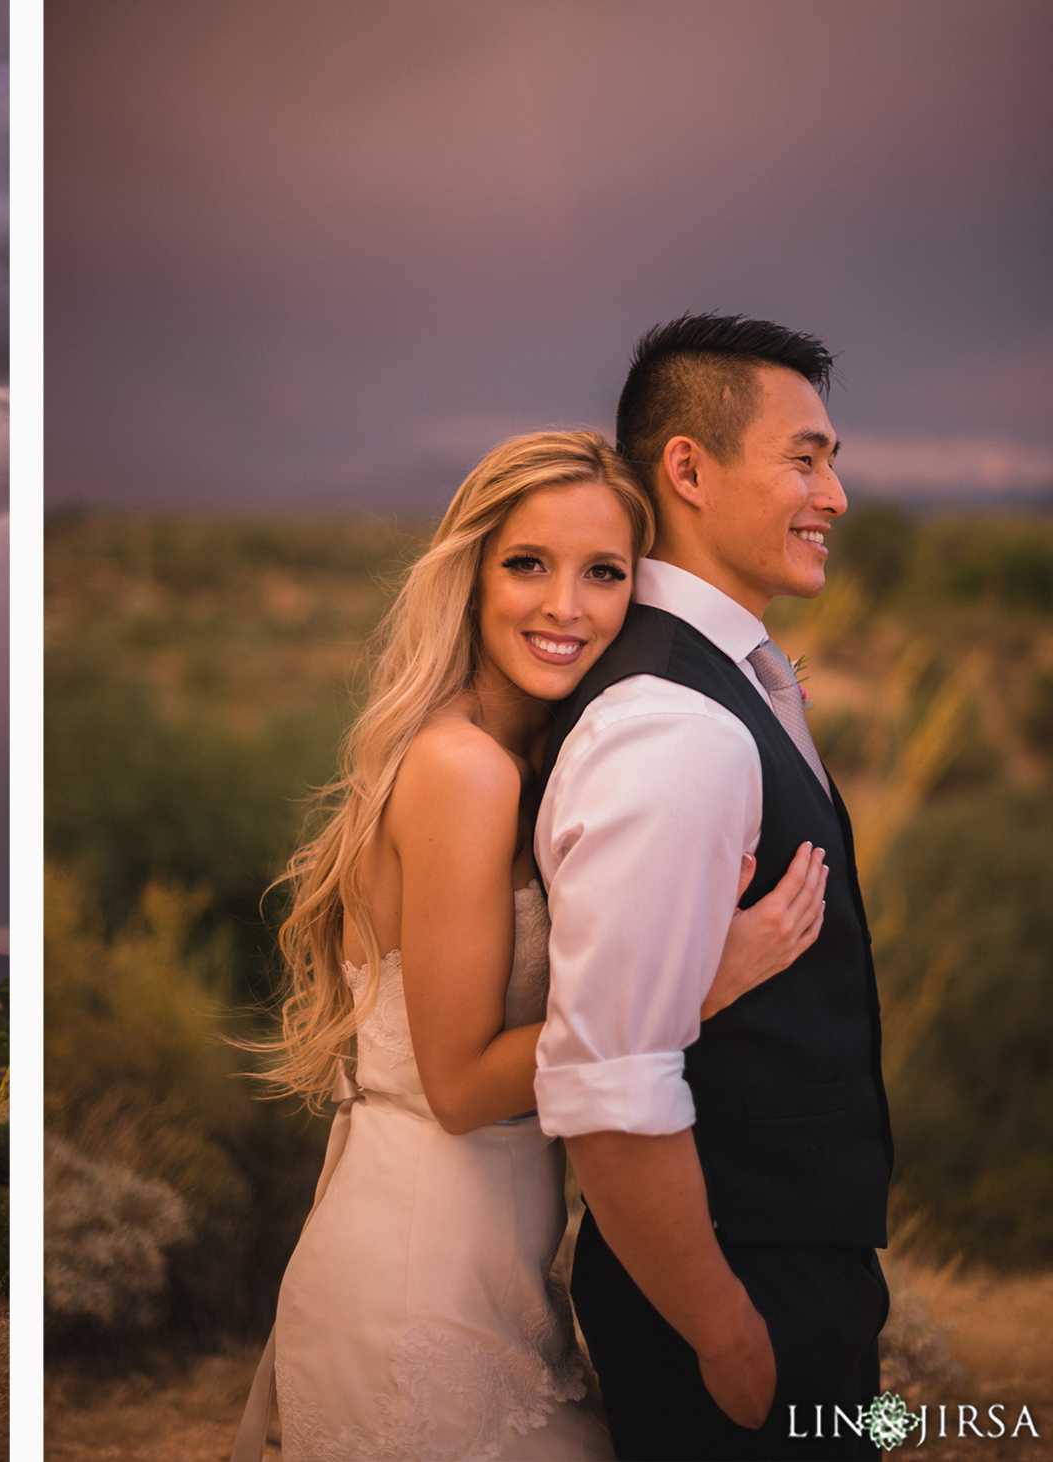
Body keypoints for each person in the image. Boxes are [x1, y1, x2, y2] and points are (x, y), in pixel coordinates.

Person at [233, 430, 829, 1461]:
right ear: (469, 574)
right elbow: (459, 1085)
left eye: (602, 573)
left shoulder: (528, 757)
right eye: (526, 564)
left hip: (482, 1269)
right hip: (421, 1281)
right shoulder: (465, 770)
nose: (564, 607)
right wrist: (697, 981)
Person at [536, 316, 892, 1460]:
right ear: (685, 467)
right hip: (736, 1297)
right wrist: (724, 1328)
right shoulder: (672, 722)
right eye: (804, 456)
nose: (832, 494)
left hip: (798, 1271)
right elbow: (609, 1081)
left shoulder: (729, 682)